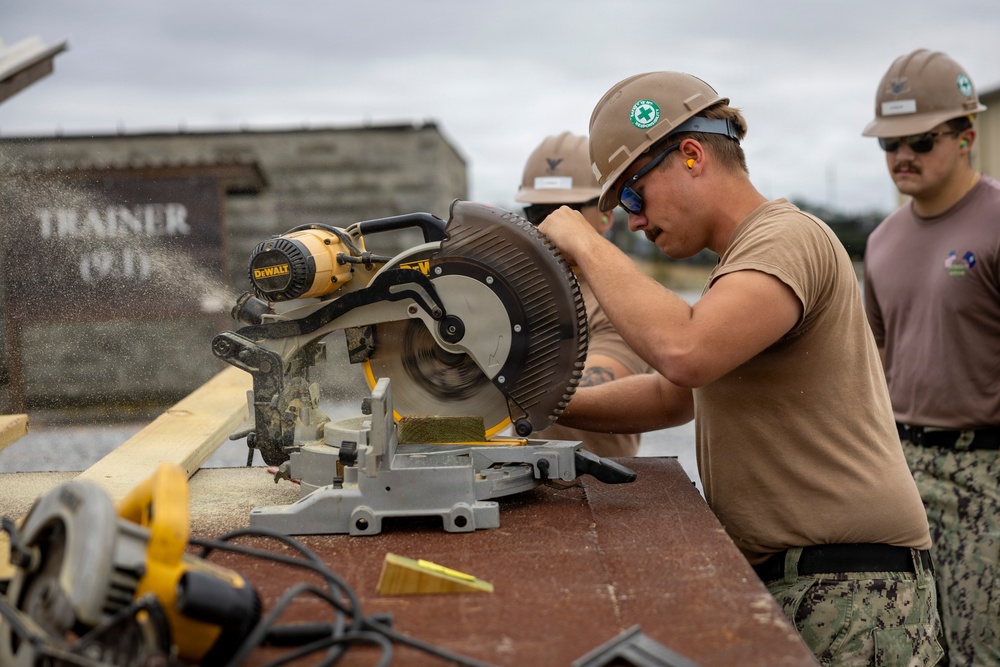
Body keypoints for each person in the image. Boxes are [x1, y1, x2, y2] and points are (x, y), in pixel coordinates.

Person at [537, 71, 945, 665]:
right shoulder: (742, 265)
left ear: (693, 156)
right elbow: (670, 396)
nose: (634, 221)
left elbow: (685, 352)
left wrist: (586, 243)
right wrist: (530, 405)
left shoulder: (786, 238)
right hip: (810, 580)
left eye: (632, 195)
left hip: (852, 588)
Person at [861, 48, 1000, 666]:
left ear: (967, 136)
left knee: (980, 649)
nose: (902, 157)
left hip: (985, 474)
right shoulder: (882, 242)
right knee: (912, 648)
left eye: (920, 140)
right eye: (889, 144)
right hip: (900, 471)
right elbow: (874, 360)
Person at [514, 132, 651, 458]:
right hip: (518, 479)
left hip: (599, 487)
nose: (550, 223)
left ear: (606, 214)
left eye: (567, 210)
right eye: (538, 212)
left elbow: (596, 390)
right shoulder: (515, 292)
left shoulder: (619, 298)